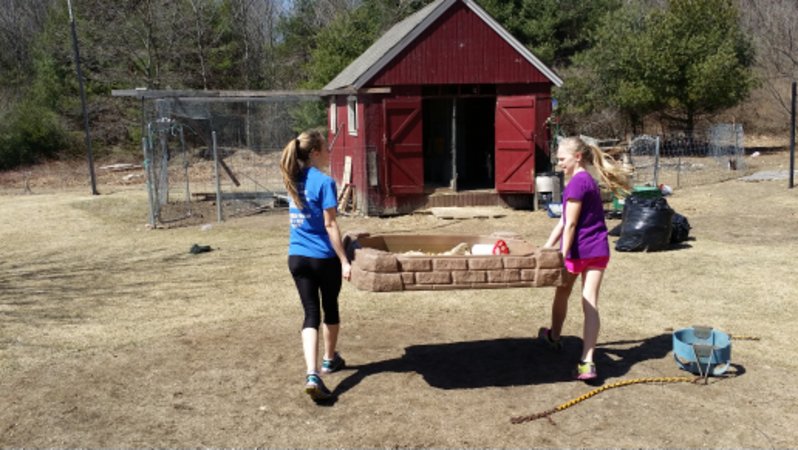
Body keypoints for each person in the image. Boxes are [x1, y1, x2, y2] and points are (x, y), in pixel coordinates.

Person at [539, 136, 630, 381]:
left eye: (562, 159)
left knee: (563, 294)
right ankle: (587, 362)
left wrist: (562, 254)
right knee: (590, 302)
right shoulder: (589, 180)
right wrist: (547, 246)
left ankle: (554, 337)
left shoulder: (576, 184)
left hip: (579, 252)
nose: (559, 164)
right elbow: (564, 220)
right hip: (598, 250)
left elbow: (570, 225)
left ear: (577, 157)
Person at [280, 129, 352, 402]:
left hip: (297, 258)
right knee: (330, 308)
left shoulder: (291, 178)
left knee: (310, 313)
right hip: (323, 258)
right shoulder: (324, 182)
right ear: (314, 153)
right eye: (325, 148)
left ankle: (312, 374)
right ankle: (329, 360)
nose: (329, 153)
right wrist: (344, 260)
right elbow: (330, 225)